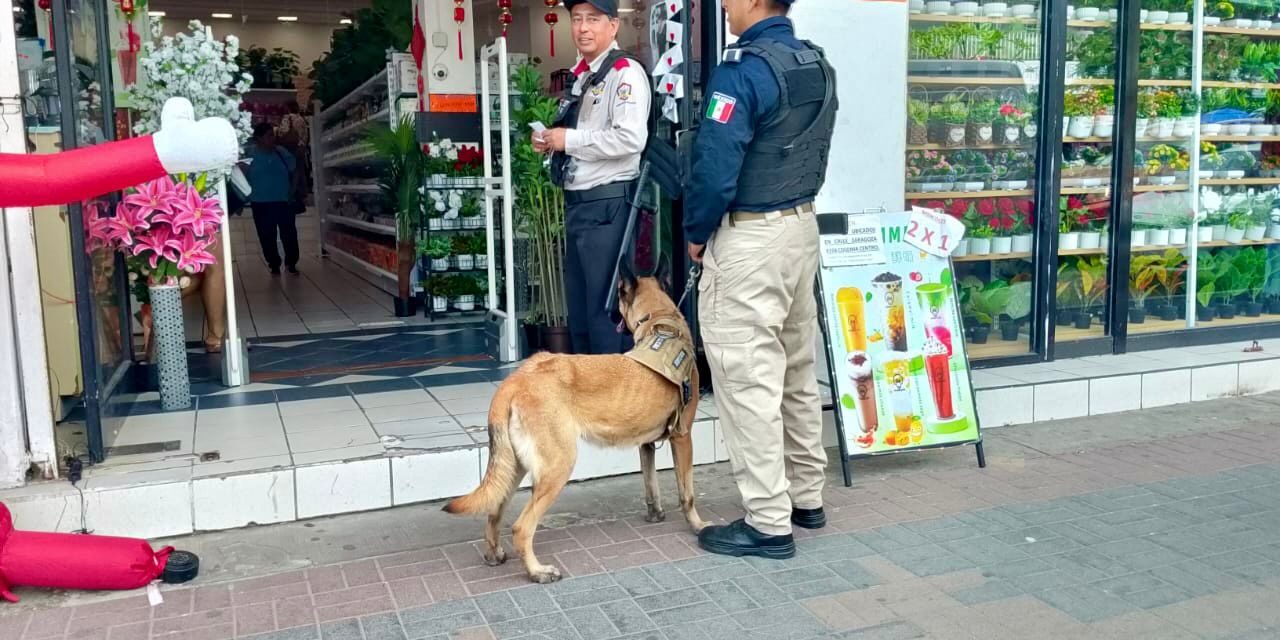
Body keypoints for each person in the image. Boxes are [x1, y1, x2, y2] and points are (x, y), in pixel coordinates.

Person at [684, 0, 838, 559]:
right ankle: (806, 497)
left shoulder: (743, 71)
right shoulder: (816, 64)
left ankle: (769, 523)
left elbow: (714, 165)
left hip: (750, 239)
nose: (724, 5)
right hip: (801, 228)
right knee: (796, 368)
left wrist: (697, 232)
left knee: (748, 376)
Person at [533, 0, 651, 355]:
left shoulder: (624, 73)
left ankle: (613, 402)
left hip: (608, 206)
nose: (583, 28)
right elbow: (586, 137)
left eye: (593, 20)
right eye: (578, 19)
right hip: (580, 206)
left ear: (613, 26)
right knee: (581, 314)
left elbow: (631, 138)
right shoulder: (583, 74)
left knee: (605, 315)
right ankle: (589, 401)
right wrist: (553, 140)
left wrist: (568, 140)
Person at [245, 122, 301, 275]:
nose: (273, 139)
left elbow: (295, 171)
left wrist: (292, 190)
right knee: (266, 235)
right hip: (260, 202)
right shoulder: (250, 156)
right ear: (259, 138)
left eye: (273, 135)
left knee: (289, 233)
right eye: (269, 136)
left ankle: (291, 262)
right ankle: (274, 263)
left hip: (284, 200)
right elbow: (242, 176)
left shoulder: (281, 152)